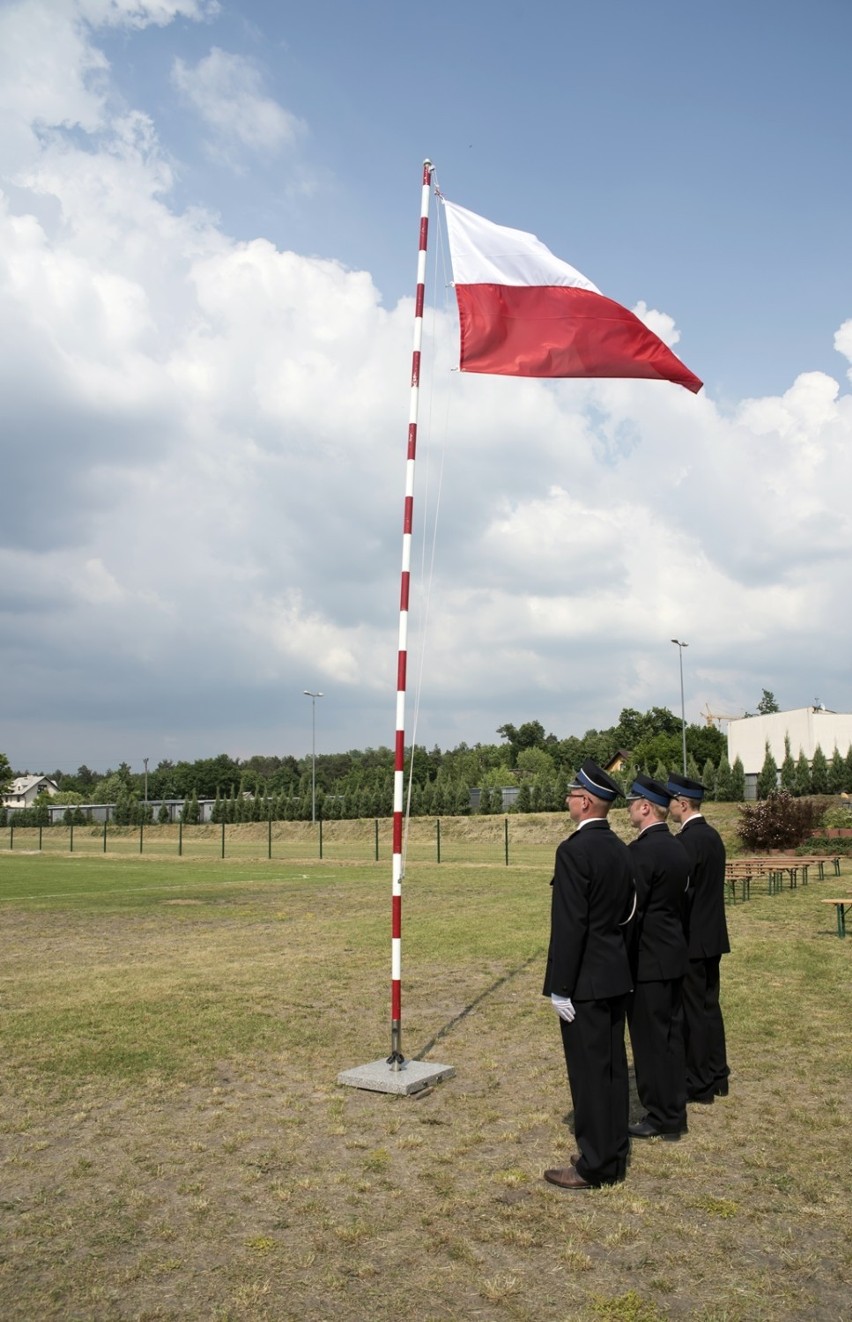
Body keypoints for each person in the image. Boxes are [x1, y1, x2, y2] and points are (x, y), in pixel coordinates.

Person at [542, 759, 636, 1190]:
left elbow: (569, 926)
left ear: (585, 801)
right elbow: (630, 913)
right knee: (613, 1068)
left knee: (590, 1072)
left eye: (572, 793)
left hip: (585, 981)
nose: (568, 799)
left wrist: (560, 988)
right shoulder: (620, 847)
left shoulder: (574, 851)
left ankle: (595, 1165)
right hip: (615, 972)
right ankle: (611, 1149)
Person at [625, 775, 690, 1140]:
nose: (629, 810)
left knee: (650, 1042)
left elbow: (633, 911)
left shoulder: (641, 852)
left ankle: (660, 1115)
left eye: (632, 803)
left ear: (645, 807)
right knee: (671, 1036)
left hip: (648, 959)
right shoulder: (678, 848)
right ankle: (674, 1111)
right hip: (673, 953)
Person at [667, 771, 731, 1103]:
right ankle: (718, 1073)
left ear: (682, 803)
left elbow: (682, 892)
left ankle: (700, 1081)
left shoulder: (687, 841)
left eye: (672, 801)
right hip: (712, 935)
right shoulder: (713, 836)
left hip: (691, 938)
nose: (669, 807)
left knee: (693, 1013)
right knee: (709, 1007)